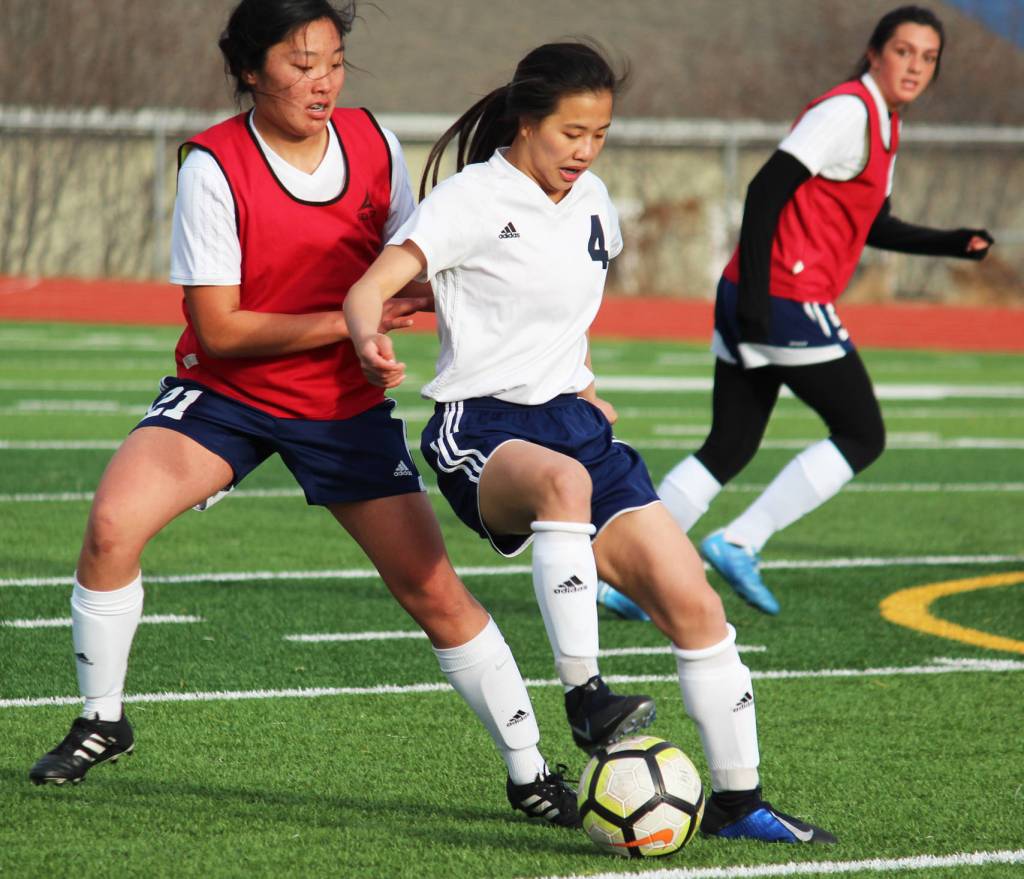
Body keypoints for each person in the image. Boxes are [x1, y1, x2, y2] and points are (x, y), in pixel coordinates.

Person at [28, 0, 586, 828]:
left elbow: (413, 268)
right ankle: (103, 718)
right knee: (112, 525)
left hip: (338, 405)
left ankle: (531, 770)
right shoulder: (213, 165)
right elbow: (220, 328)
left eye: (332, 62)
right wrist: (351, 320)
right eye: (300, 64)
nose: (321, 82)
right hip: (228, 394)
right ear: (251, 70)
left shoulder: (373, 144)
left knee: (432, 589)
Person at [343, 40, 836, 844]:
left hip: (573, 426)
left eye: (599, 133)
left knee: (698, 609)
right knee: (562, 487)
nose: (585, 149)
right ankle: (585, 696)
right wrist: (369, 340)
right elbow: (369, 287)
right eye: (571, 131)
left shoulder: (596, 199)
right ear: (527, 121)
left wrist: (581, 376)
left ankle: (741, 803)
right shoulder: (472, 197)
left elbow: (556, 306)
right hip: (483, 426)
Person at [597, 4, 993, 619]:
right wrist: (758, 297)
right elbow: (765, 188)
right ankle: (739, 540)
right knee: (863, 433)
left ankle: (625, 579)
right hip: (781, 296)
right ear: (874, 52)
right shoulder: (847, 111)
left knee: (729, 445)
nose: (914, 65)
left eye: (928, 57)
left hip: (759, 294)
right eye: (903, 51)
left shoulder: (885, 124)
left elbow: (873, 224)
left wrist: (950, 242)